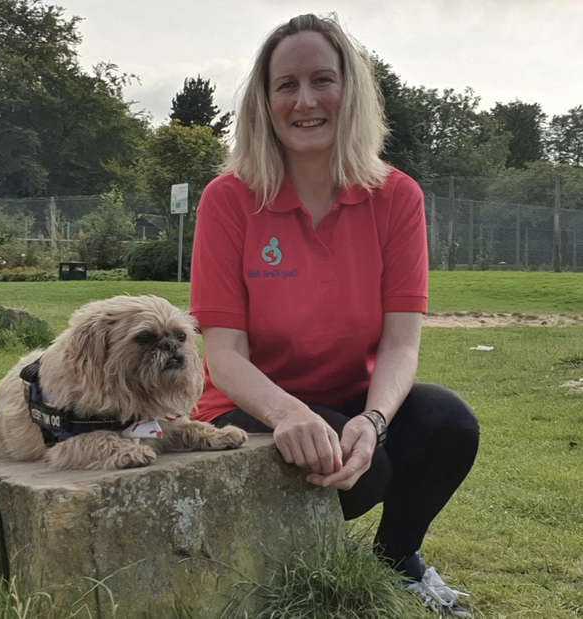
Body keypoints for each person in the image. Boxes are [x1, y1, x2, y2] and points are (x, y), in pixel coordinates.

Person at [189, 13, 480, 617]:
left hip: (348, 402)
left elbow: (400, 344)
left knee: (449, 423)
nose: (306, 101)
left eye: (323, 79)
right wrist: (288, 413)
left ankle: (396, 561)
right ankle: (280, 572)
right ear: (264, 102)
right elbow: (222, 353)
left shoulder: (397, 196)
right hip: (249, 410)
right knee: (354, 467)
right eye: (285, 85)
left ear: (352, 91)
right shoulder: (230, 198)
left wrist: (372, 421)